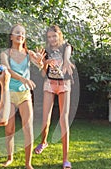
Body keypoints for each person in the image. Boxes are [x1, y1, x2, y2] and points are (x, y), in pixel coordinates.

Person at [0, 24, 44, 169]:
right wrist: (23, 79)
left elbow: (40, 66)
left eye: (23, 33)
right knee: (9, 129)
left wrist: (40, 62)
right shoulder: (5, 54)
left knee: (28, 128)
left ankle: (28, 163)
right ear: (11, 36)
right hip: (10, 93)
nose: (21, 35)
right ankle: (9, 158)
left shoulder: (28, 53)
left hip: (24, 94)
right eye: (17, 32)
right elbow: (9, 70)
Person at [34, 25, 75, 169]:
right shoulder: (46, 51)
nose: (52, 39)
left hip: (64, 85)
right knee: (46, 118)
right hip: (50, 84)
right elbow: (43, 73)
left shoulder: (66, 46)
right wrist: (44, 62)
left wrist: (66, 60)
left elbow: (67, 53)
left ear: (59, 35)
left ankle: (66, 159)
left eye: (54, 36)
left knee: (63, 120)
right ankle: (44, 142)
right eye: (49, 37)